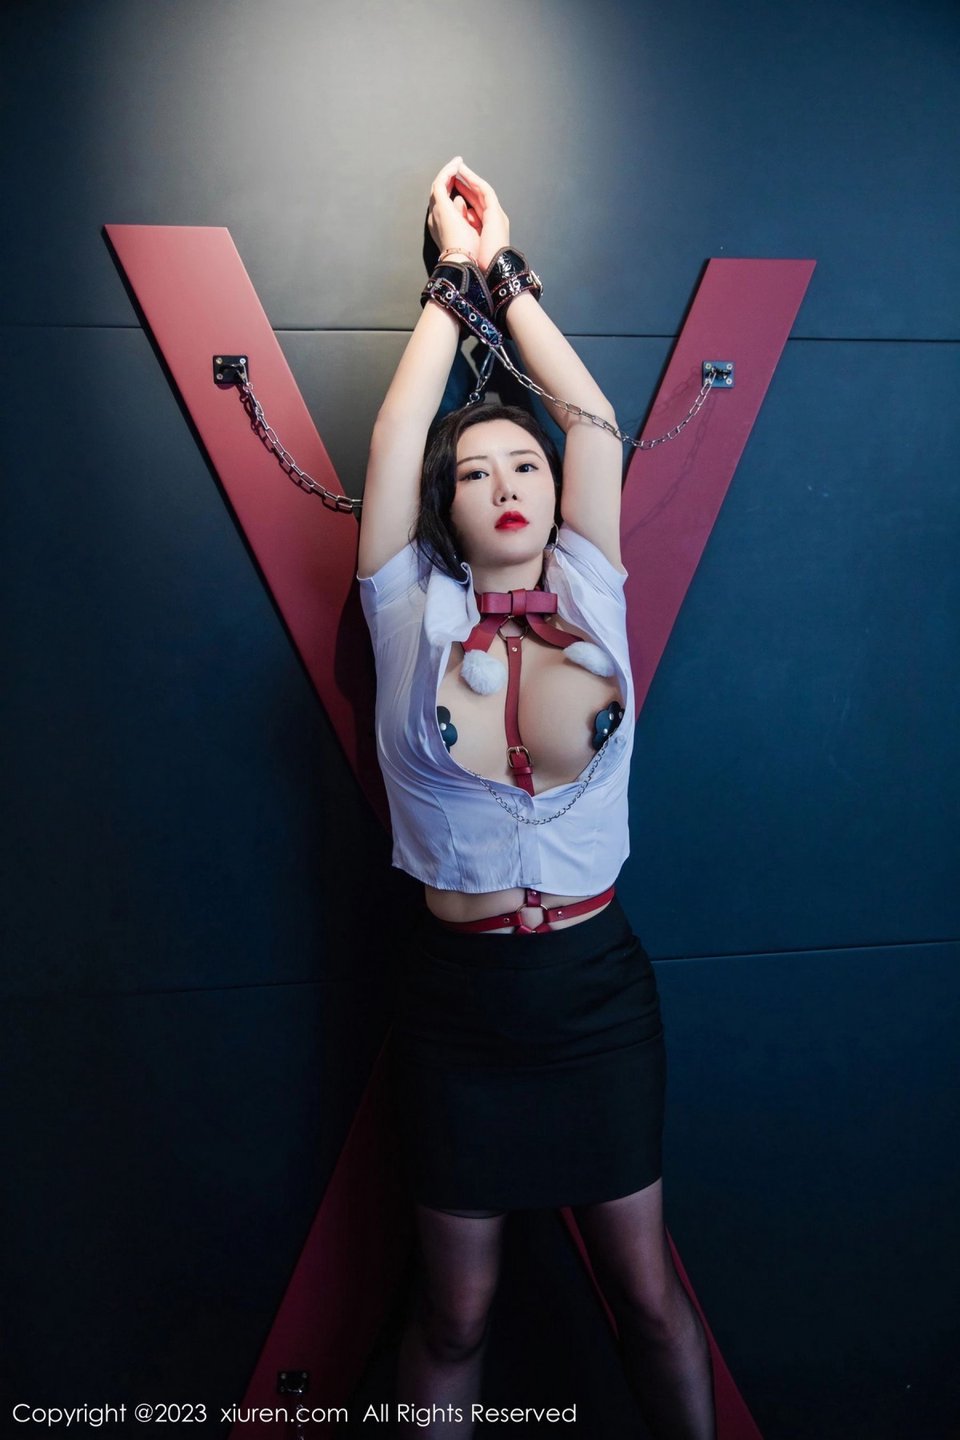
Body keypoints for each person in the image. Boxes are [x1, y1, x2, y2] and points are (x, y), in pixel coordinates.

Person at [357, 157, 716, 1440]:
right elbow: (397, 434)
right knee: (455, 1315)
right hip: (459, 1007)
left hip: (594, 994)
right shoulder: (406, 604)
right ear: (446, 506)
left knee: (650, 1299)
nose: (509, 484)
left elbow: (595, 421)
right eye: (478, 474)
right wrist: (447, 285)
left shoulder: (592, 583)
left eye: (526, 465)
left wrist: (506, 275)